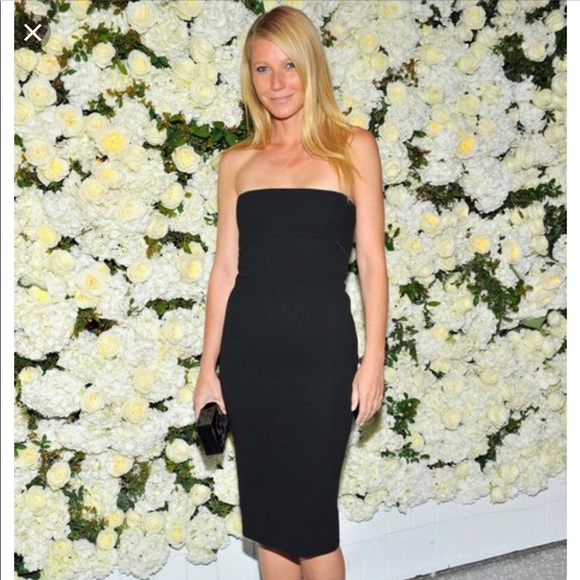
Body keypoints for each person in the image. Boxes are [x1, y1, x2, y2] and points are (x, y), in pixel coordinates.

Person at [193, 6, 388, 580]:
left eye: (289, 66)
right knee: (271, 524)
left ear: (311, 68)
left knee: (312, 525)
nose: (276, 82)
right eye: (262, 68)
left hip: (322, 359)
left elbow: (372, 262)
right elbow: (225, 269)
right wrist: (208, 369)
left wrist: (373, 359)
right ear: (249, 77)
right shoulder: (236, 162)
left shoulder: (352, 147)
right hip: (249, 360)